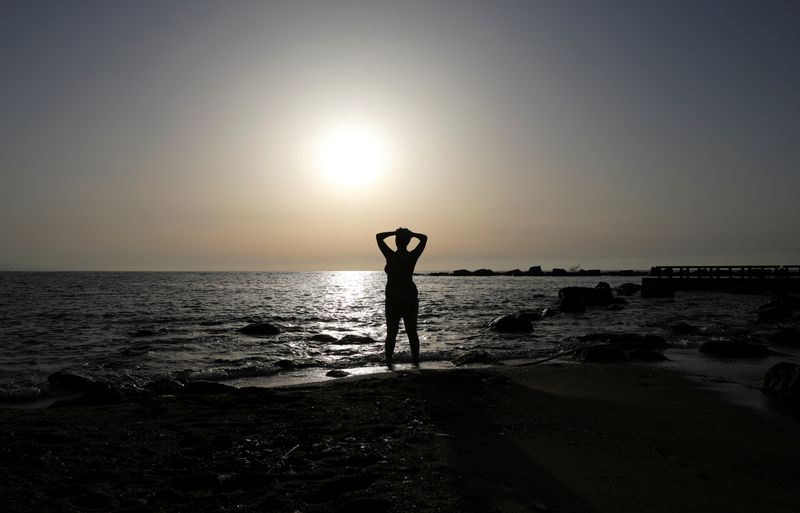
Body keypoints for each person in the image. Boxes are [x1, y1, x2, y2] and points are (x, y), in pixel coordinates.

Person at [376, 228, 427, 367]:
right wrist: (411, 234)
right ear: (408, 241)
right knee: (411, 331)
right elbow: (424, 238)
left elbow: (379, 236)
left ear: (396, 241)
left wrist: (394, 232)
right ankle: (415, 361)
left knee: (392, 331)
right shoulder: (412, 256)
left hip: (394, 296)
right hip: (408, 295)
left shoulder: (390, 255)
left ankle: (388, 362)